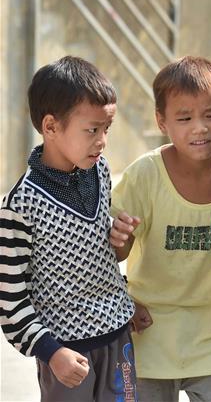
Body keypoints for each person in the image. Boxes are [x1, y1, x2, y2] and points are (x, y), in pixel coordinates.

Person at [0, 56, 137, 401]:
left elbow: (98, 253)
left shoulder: (100, 171)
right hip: (66, 352)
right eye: (92, 129)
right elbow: (10, 299)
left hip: (118, 337)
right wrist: (50, 351)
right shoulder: (21, 205)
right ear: (50, 127)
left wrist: (121, 241)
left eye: (107, 129)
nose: (102, 140)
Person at [110, 56, 211, 400]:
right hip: (149, 334)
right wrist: (118, 247)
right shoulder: (145, 175)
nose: (200, 127)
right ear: (162, 121)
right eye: (185, 117)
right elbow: (109, 252)